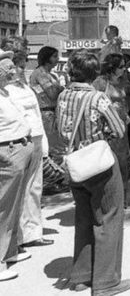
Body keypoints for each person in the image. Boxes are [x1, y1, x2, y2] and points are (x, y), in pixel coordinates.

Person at [57, 51, 130, 295]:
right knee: (109, 217)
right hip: (99, 163)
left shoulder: (63, 96)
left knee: (83, 218)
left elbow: (58, 128)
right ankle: (106, 281)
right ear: (94, 73)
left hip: (76, 164)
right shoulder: (98, 98)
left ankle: (80, 276)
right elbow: (120, 129)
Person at [1, 37, 52, 250]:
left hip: (35, 139)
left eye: (22, 66)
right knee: (17, 192)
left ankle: (32, 231)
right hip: (19, 141)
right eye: (16, 66)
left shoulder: (24, 87)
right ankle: (17, 238)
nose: (20, 70)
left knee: (34, 187)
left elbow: (35, 114)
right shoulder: (7, 90)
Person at [0, 58, 36, 283]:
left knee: (14, 206)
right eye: (8, 67)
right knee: (4, 207)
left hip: (19, 148)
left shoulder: (5, 92)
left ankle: (10, 250)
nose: (14, 70)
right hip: (8, 151)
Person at [29, 46, 67, 193]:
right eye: (55, 57)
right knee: (53, 148)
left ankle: (55, 179)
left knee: (56, 147)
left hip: (52, 113)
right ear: (47, 57)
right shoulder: (40, 74)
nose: (57, 60)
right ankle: (51, 182)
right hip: (46, 114)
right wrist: (61, 89)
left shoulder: (51, 75)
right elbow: (52, 93)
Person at [93, 54, 130, 184]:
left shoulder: (120, 81)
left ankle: (123, 193)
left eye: (124, 66)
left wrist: (126, 115)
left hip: (121, 124)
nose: (124, 69)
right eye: (121, 67)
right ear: (112, 67)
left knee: (122, 159)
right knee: (112, 158)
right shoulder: (101, 82)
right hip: (108, 126)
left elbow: (123, 101)